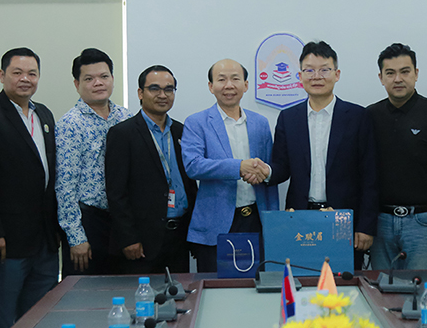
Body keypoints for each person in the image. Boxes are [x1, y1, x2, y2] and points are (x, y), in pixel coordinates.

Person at [0, 48, 60, 328]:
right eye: (17, 72)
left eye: (32, 73)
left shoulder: (44, 114)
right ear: (2, 75)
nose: (25, 79)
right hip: (6, 242)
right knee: (1, 323)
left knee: (39, 322)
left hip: (44, 241)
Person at [269, 41, 377, 270]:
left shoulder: (358, 116)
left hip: (342, 220)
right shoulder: (288, 118)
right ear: (300, 76)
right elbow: (281, 167)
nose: (316, 76)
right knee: (301, 278)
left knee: (343, 283)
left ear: (337, 74)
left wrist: (365, 226)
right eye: (309, 70)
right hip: (300, 217)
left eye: (324, 70)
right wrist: (265, 171)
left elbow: (370, 175)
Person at [368, 43, 427, 270]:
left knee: (423, 289)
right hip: (380, 223)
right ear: (381, 78)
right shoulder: (370, 116)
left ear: (416, 74)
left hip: (424, 223)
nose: (398, 79)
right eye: (390, 73)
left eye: (405, 71)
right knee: (381, 289)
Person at [181, 59, 279, 272]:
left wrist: (272, 221)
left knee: (258, 285)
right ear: (211, 86)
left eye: (235, 79)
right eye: (221, 79)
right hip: (216, 223)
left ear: (246, 85)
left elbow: (269, 171)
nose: (229, 85)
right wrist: (239, 167)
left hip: (256, 220)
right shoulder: (196, 122)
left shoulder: (260, 123)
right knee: (215, 286)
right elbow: (193, 166)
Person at [105, 65, 198, 274]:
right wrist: (128, 238)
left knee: (180, 292)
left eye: (169, 89)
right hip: (142, 241)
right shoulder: (122, 134)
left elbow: (190, 182)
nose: (162, 95)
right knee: (143, 294)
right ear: (140, 93)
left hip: (180, 236)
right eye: (154, 88)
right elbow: (116, 193)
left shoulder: (181, 131)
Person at [55, 48, 131, 275]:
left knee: (122, 288)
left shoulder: (126, 118)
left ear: (113, 79)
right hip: (88, 221)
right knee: (84, 291)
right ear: (77, 84)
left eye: (104, 76)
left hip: (121, 221)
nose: (98, 83)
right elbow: (65, 186)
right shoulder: (70, 124)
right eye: (89, 79)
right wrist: (76, 237)